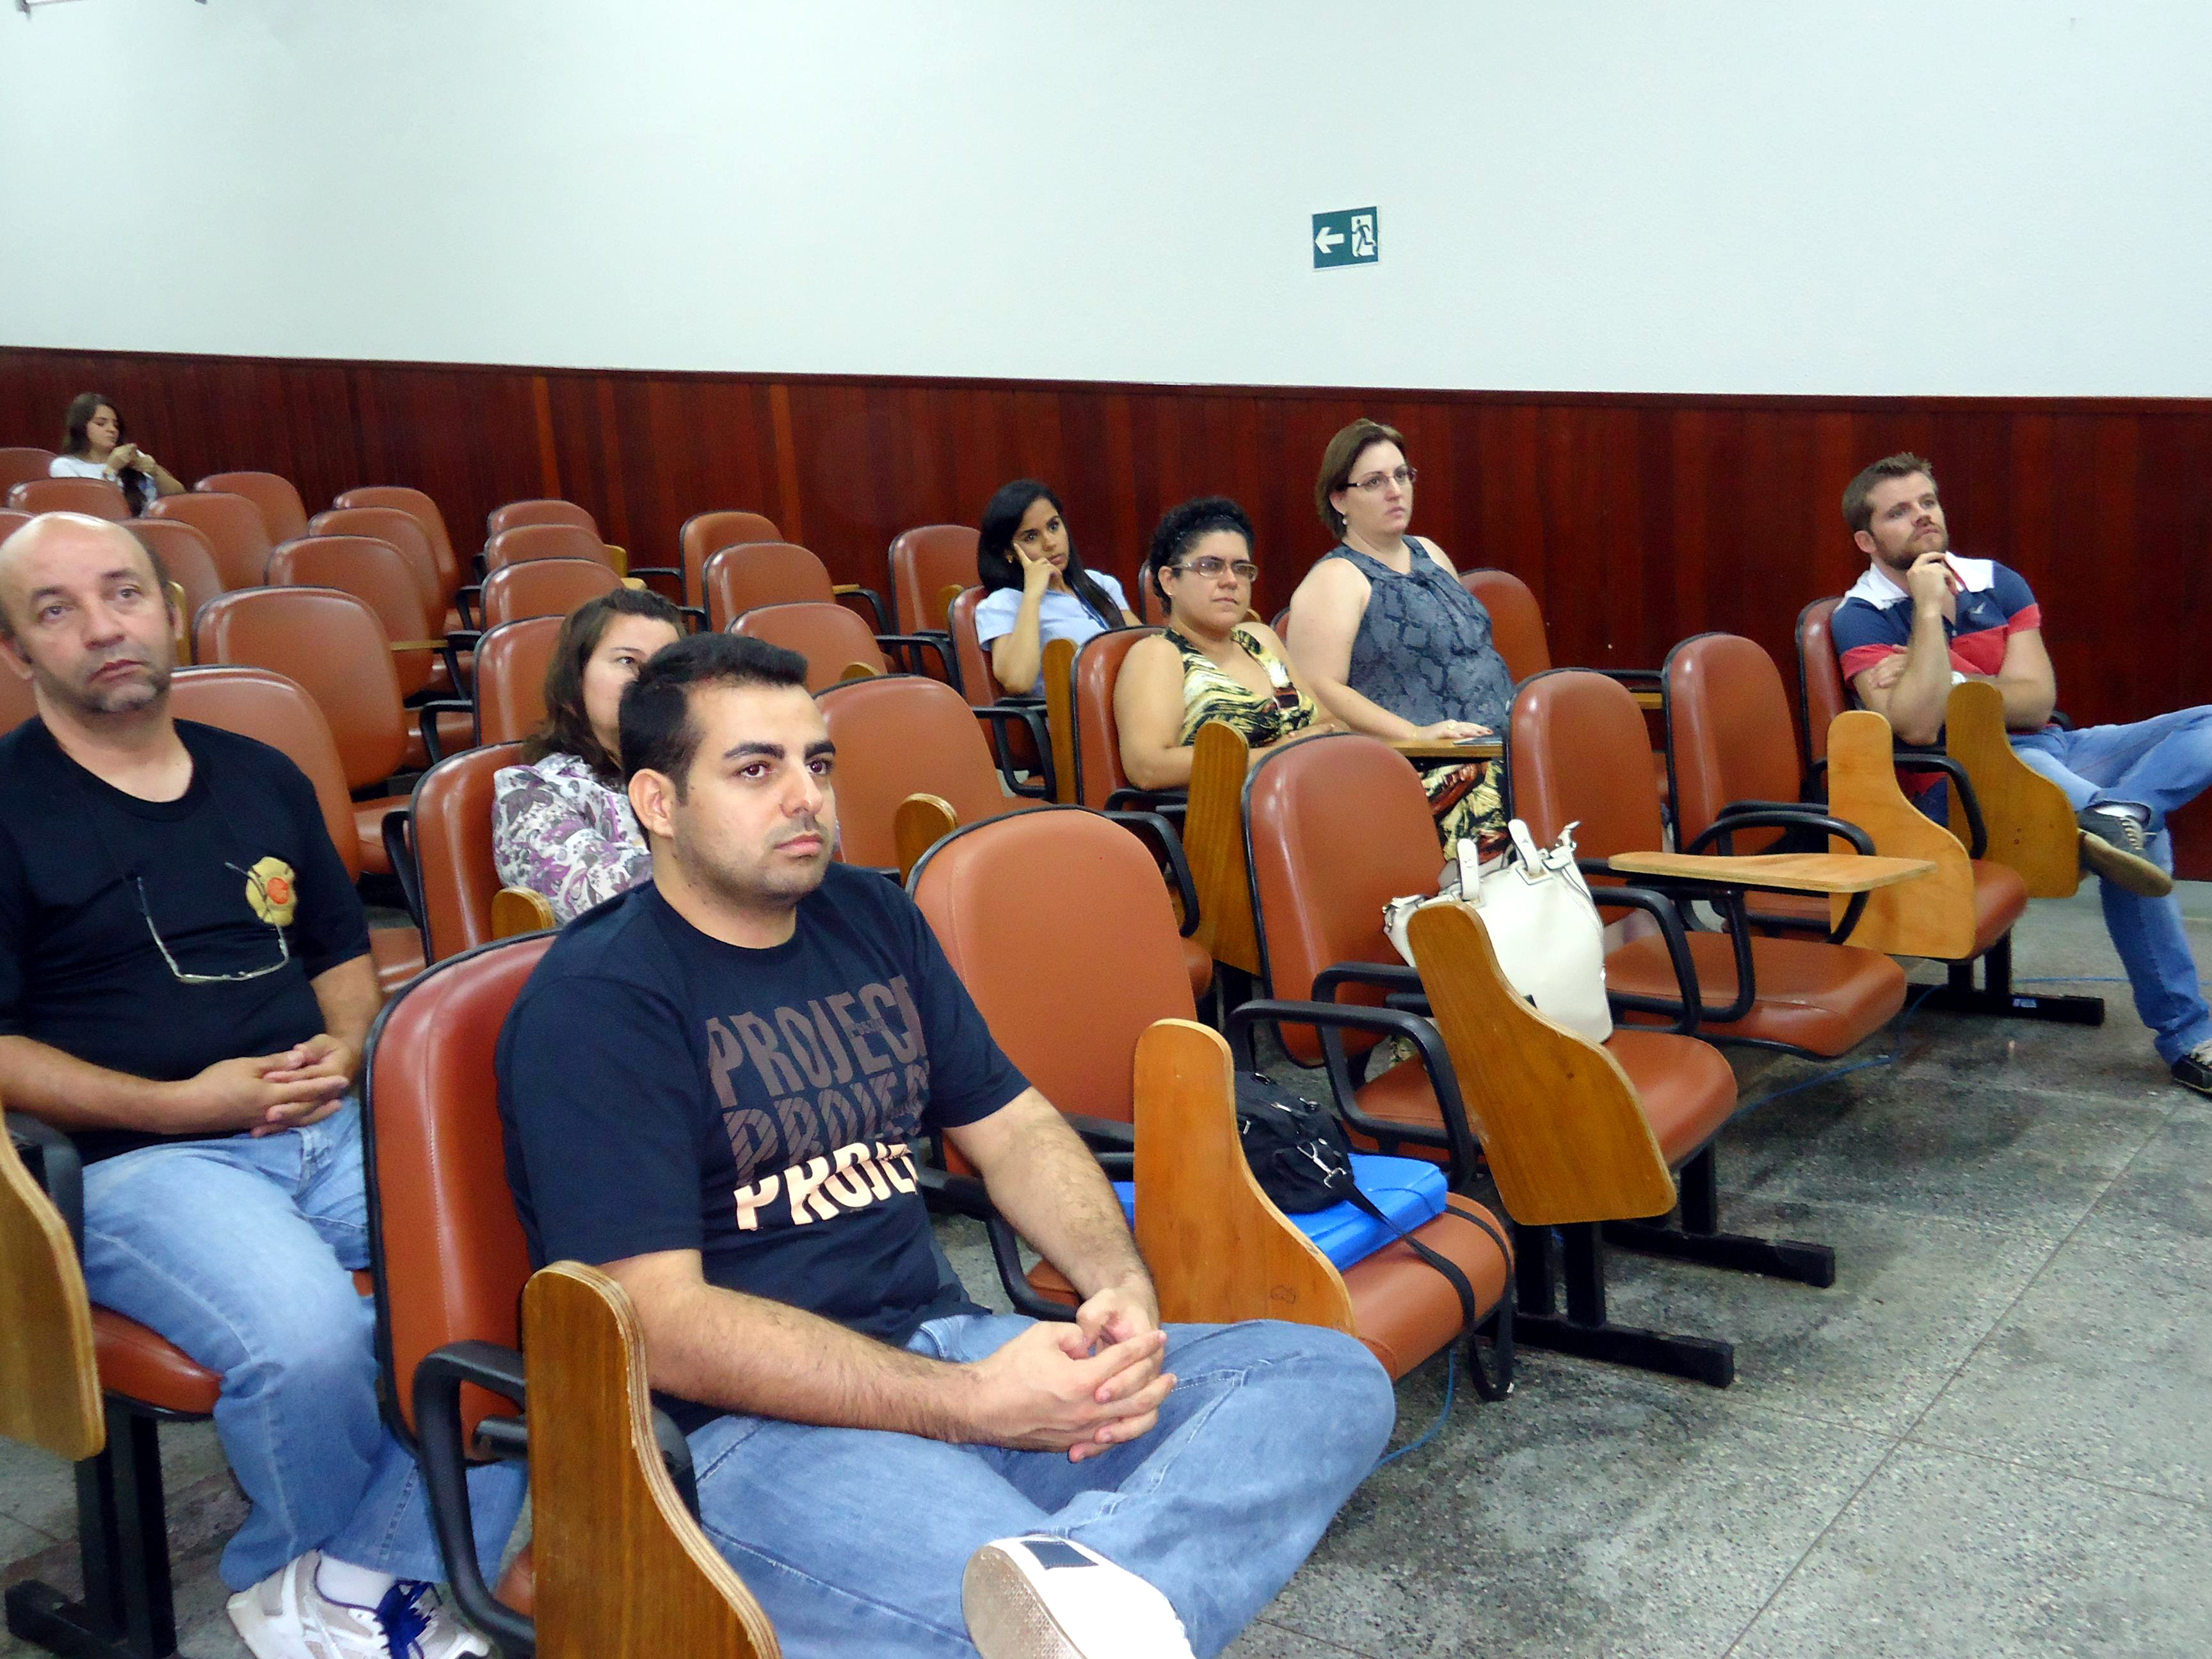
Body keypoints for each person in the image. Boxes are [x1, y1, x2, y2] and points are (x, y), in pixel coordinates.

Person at [496, 632, 1397, 1659]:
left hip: (941, 1344)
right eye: (757, 769)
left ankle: (1080, 1578)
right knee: (1007, 1619)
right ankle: (1065, 1591)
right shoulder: (601, 1003)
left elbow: (1012, 1128)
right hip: (743, 1437)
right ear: (659, 804)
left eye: (818, 763)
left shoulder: (870, 915)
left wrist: (1119, 1293)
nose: (807, 798)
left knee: (1324, 1377)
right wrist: (975, 1408)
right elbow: (657, 1320)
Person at [0, 514, 519, 1658]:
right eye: (56, 609)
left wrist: (348, 1048)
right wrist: (179, 1105)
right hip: (137, 1160)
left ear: (170, 611)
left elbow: (346, 960)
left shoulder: (261, 775)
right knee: (314, 1333)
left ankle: (361, 1572)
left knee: (536, 1256)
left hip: (327, 1118)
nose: (103, 627)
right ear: (18, 653)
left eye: (124, 593)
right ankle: (296, 1576)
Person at [1832, 452, 2212, 1093]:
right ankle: (2188, 1035)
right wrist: (1927, 612)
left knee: (2196, 729)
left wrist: (1949, 681)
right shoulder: (1860, 615)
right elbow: (1920, 730)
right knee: (2142, 840)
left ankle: (2122, 812)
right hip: (1960, 781)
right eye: (1899, 511)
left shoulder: (1995, 582)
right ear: (1868, 541)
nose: (1922, 516)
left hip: (2054, 745)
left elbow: (2035, 700)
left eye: (1927, 501)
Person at [1285, 417, 1510, 856]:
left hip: (1498, 744)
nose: (1395, 490)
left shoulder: (1431, 553)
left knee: (1586, 776)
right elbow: (1317, 689)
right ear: (1339, 498)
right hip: (1419, 763)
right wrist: (1416, 733)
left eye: (1402, 475)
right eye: (1374, 482)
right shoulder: (1335, 578)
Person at [1116, 496, 1337, 791]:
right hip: (1234, 818)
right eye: (1211, 566)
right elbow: (1149, 767)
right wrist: (1273, 756)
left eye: (1242, 568)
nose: (1231, 580)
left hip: (1317, 791)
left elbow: (1332, 725)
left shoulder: (1261, 639)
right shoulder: (1158, 654)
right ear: (1170, 581)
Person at [492, 587, 685, 922]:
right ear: (575, 680)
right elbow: (614, 904)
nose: (650, 681)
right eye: (628, 661)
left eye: (665, 666)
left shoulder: (699, 772)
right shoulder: (531, 793)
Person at [974, 479, 1137, 696]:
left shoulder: (1099, 584)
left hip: (1134, 696)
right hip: (1080, 719)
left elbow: (1142, 645)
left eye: (1053, 526)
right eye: (1031, 537)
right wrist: (1032, 595)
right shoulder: (1003, 604)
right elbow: (1018, 681)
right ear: (1009, 552)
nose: (1050, 543)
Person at [49, 392, 185, 514]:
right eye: (101, 424)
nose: (112, 430)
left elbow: (179, 496)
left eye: (115, 425)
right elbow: (90, 511)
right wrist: (111, 470)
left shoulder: (131, 455)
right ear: (80, 427)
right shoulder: (64, 466)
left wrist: (156, 471)